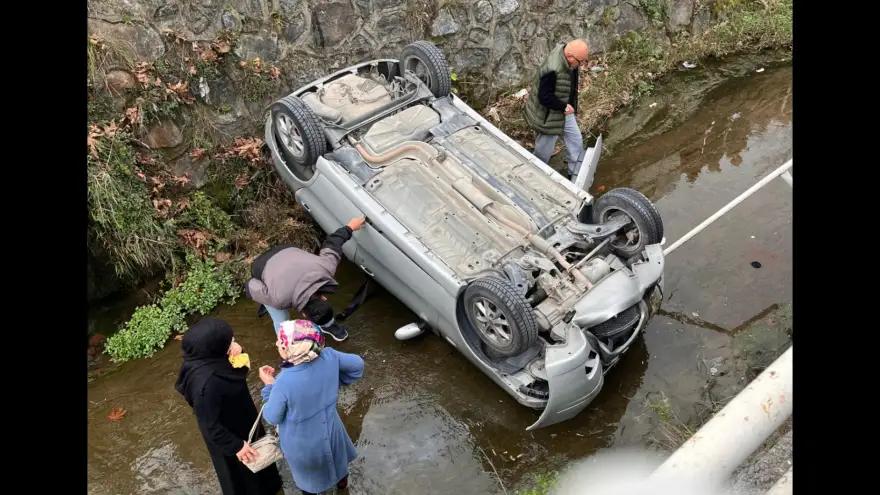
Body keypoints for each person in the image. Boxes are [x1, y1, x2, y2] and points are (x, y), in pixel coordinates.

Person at [174, 317, 282, 495]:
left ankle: (271, 485)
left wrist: (237, 354)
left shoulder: (205, 357)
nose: (233, 341)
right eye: (229, 341)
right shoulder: (206, 385)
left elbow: (237, 374)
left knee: (262, 461)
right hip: (229, 434)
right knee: (243, 476)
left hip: (240, 414)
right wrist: (236, 446)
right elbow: (209, 424)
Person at [258, 319, 365, 495]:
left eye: (281, 343)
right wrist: (334, 382)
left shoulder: (283, 382)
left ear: (289, 349)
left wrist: (269, 385)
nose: (278, 344)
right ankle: (342, 488)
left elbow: (272, 417)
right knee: (339, 466)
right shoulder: (330, 356)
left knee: (310, 485)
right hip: (332, 432)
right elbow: (357, 366)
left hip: (303, 447)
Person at [245, 216, 367, 342]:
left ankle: (327, 324)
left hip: (287, 251)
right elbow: (250, 285)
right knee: (282, 321)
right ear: (324, 298)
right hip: (262, 265)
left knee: (280, 304)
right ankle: (287, 345)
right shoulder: (277, 299)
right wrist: (266, 297)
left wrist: (350, 227)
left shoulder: (327, 268)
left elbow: (333, 242)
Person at [523, 39, 590, 180]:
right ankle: (534, 177)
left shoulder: (567, 57)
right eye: (580, 61)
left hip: (563, 110)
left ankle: (575, 176)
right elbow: (544, 97)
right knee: (544, 151)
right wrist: (563, 106)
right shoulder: (553, 69)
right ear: (570, 57)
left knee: (575, 139)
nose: (581, 65)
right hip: (547, 117)